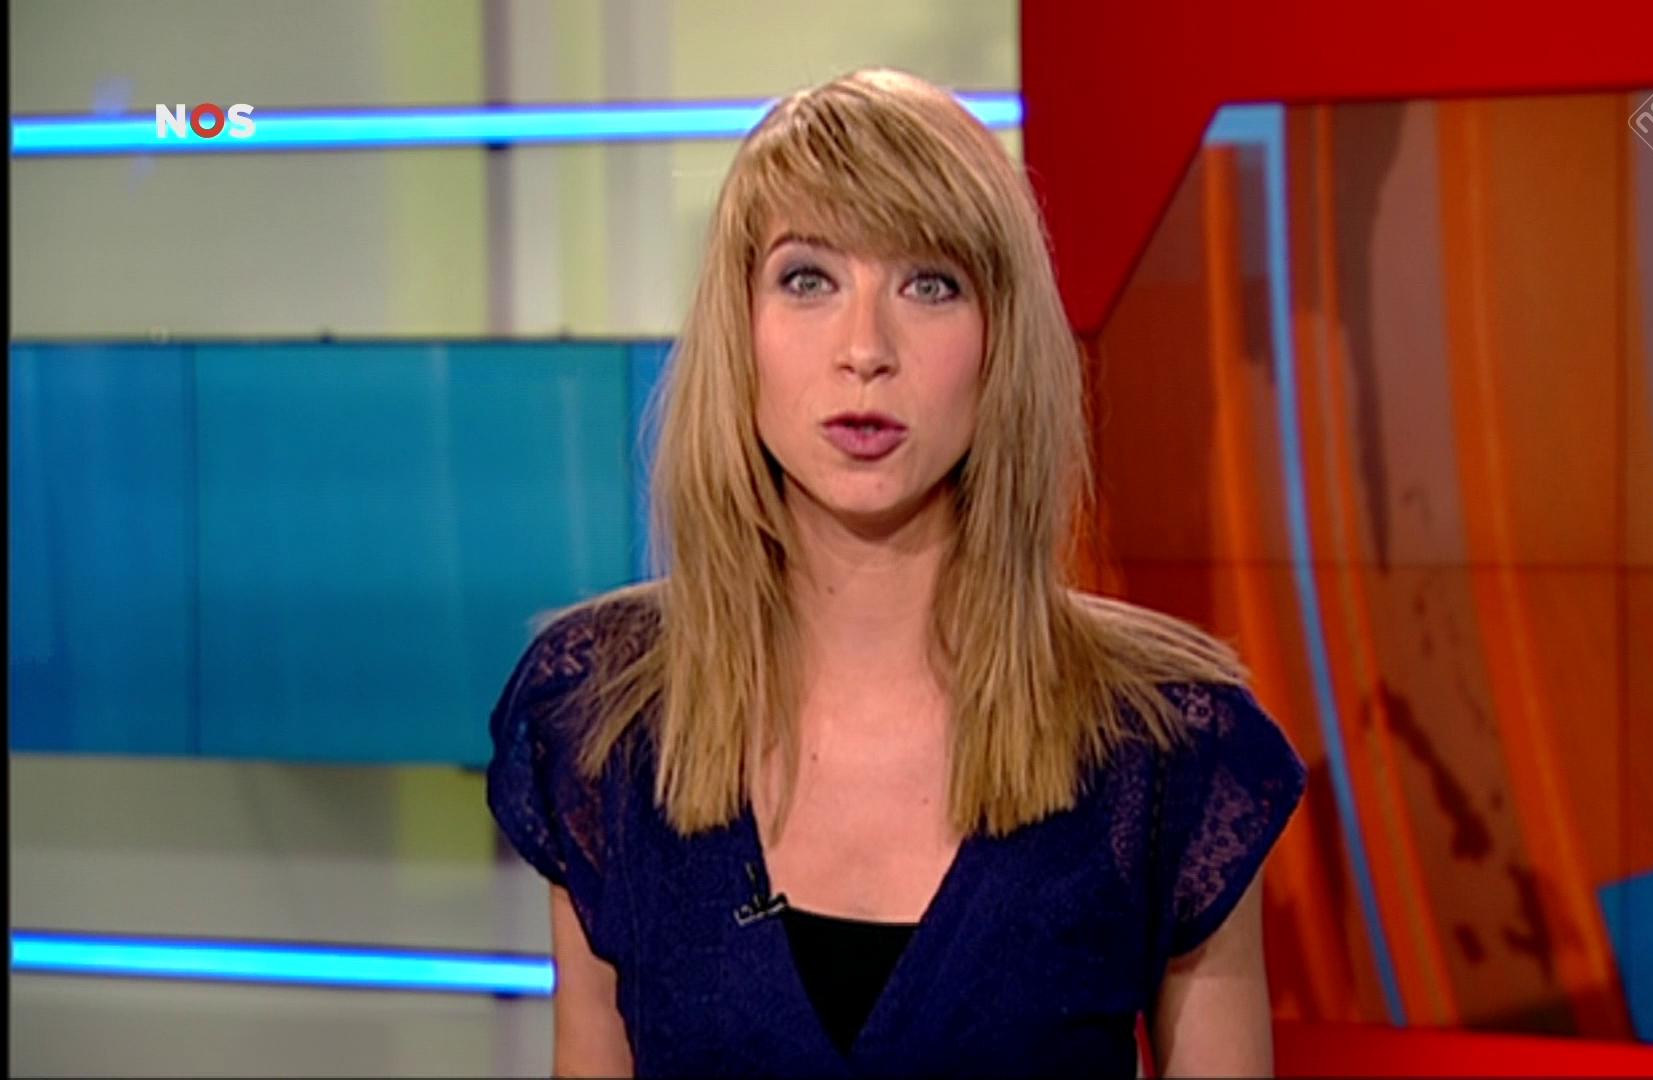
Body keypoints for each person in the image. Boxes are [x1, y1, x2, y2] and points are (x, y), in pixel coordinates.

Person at [487, 67, 1306, 1078]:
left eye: (930, 285)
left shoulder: (1169, 744)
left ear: (1001, 342)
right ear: (740, 331)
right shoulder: (602, 713)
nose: (865, 350)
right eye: (808, 280)